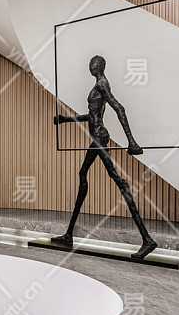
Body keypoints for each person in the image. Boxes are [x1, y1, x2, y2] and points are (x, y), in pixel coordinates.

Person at [53, 55, 157, 259]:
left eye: (94, 63)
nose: (90, 66)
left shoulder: (102, 84)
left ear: (100, 66)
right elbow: (91, 116)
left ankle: (147, 240)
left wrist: (132, 142)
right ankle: (68, 235)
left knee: (118, 180)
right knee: (83, 173)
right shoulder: (98, 85)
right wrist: (66, 119)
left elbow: (119, 108)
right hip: (96, 138)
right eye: (90, 63)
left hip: (100, 138)